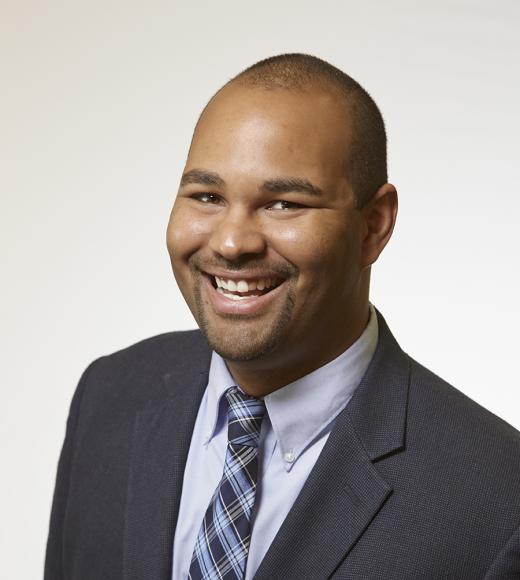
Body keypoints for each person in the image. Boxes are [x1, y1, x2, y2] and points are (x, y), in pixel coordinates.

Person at [45, 54, 520, 580]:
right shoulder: (109, 396)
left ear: (373, 225)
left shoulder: (500, 501)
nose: (231, 242)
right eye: (207, 196)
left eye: (283, 204)